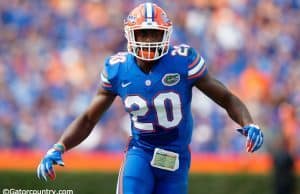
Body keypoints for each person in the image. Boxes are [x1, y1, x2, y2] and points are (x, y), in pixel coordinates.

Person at [37, 2, 264, 194]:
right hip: (141, 152)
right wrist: (59, 146)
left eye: (154, 33)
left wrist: (249, 122)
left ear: (166, 34)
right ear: (130, 35)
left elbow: (225, 97)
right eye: (142, 33)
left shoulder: (182, 61)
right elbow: (88, 119)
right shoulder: (118, 69)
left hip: (176, 157)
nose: (148, 39)